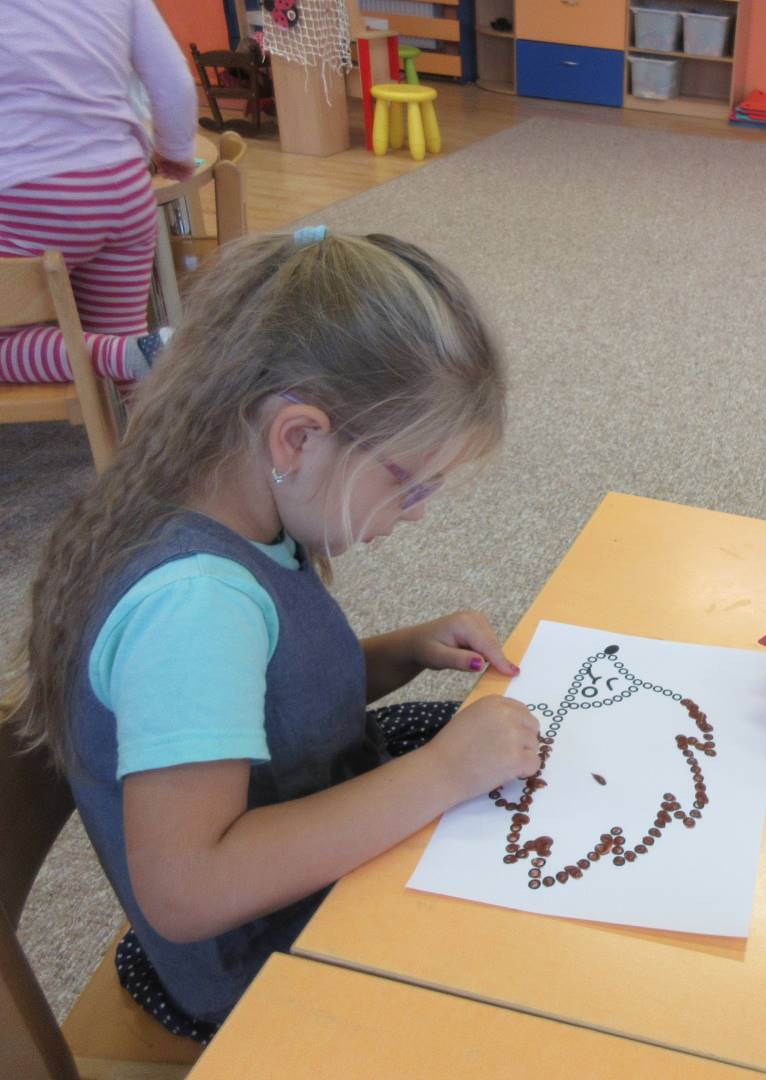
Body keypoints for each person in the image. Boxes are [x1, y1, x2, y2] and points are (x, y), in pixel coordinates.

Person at [0, 228, 541, 1041]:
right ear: (297, 437)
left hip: (302, 821)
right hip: (259, 966)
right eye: (411, 483)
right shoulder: (193, 607)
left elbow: (267, 700)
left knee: (518, 771)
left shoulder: (233, 510)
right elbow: (186, 891)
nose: (419, 512)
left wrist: (401, 652)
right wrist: (440, 775)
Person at [0, 0, 196, 384]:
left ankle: (118, 355)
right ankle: (141, 381)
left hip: (28, 197)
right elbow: (175, 82)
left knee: (97, 350)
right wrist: (175, 151)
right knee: (128, 352)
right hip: (124, 188)